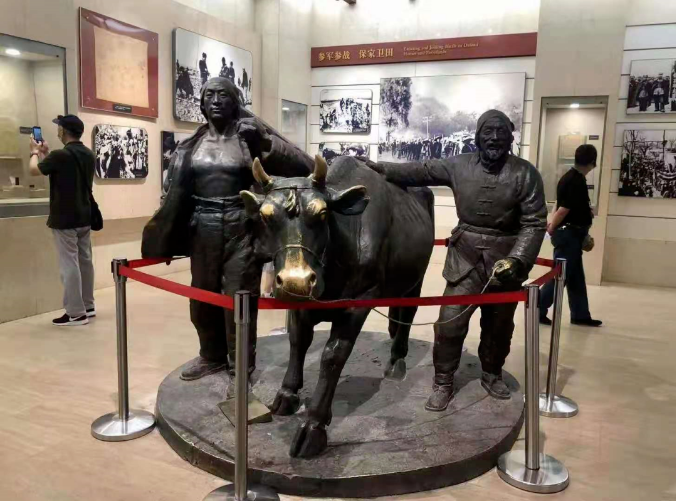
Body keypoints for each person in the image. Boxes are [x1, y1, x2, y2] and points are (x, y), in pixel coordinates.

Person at [365, 110, 547, 411]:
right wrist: (380, 168)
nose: (494, 138)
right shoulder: (458, 165)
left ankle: (491, 374)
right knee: (449, 324)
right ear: (477, 136)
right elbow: (421, 170)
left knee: (499, 327)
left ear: (511, 137)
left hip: (505, 261)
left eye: (501, 132)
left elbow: (535, 222)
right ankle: (443, 382)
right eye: (488, 132)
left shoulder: (526, 174)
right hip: (465, 258)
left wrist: (518, 259)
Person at [142, 78, 313, 381]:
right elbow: (172, 191)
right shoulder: (191, 145)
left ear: (235, 102)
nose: (216, 100)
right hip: (202, 226)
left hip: (241, 225)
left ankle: (240, 365)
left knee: (239, 298)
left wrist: (264, 142)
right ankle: (211, 356)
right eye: (210, 95)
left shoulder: (249, 137)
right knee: (202, 296)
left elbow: (303, 166)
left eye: (223, 95)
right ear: (202, 103)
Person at [28, 115, 96, 326]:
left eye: (59, 128)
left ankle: (76, 313)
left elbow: (34, 170)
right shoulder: (88, 154)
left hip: (65, 218)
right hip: (84, 215)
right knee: (85, 262)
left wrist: (34, 152)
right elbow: (63, 170)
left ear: (64, 131)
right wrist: (46, 153)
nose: (57, 131)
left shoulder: (61, 155)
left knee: (69, 265)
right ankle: (88, 305)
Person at [539, 144, 602, 327]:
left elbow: (560, 205)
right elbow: (563, 209)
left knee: (575, 277)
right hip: (569, 235)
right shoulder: (575, 180)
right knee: (559, 275)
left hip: (572, 235)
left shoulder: (571, 178)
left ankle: (580, 314)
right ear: (592, 162)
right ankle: (538, 307)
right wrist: (552, 227)